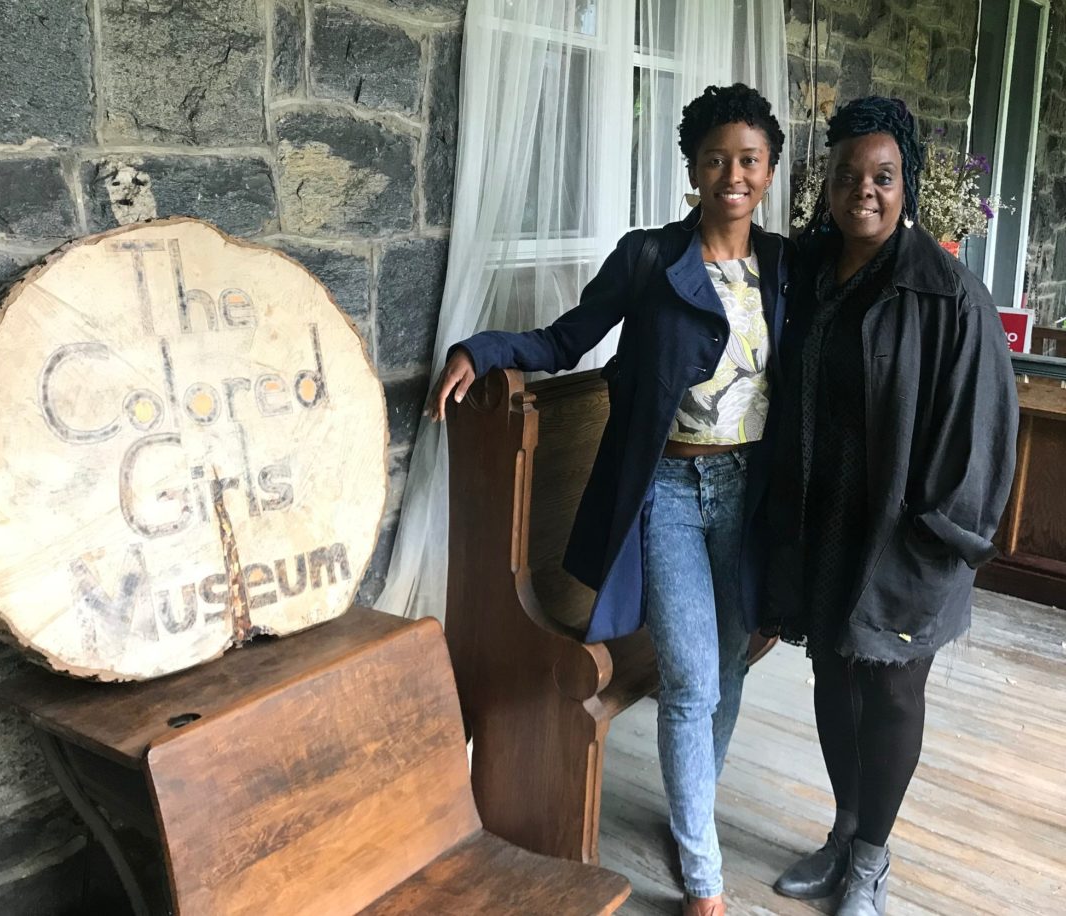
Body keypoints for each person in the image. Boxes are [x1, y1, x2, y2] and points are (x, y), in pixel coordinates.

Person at [427, 84, 789, 916]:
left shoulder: (785, 265)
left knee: (730, 663)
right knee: (692, 679)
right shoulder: (648, 257)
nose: (732, 174)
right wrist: (480, 350)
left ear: (768, 171)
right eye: (716, 159)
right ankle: (702, 875)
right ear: (693, 168)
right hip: (663, 489)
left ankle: (691, 803)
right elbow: (565, 340)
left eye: (749, 160)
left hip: (748, 491)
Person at [764, 97, 1018, 915]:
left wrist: (936, 539)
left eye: (881, 176)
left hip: (905, 535)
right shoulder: (806, 269)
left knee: (894, 689)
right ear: (825, 183)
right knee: (832, 676)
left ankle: (872, 862)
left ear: (906, 184)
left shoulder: (949, 297)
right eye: (846, 175)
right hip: (822, 520)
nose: (862, 191)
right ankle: (844, 830)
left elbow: (981, 435)